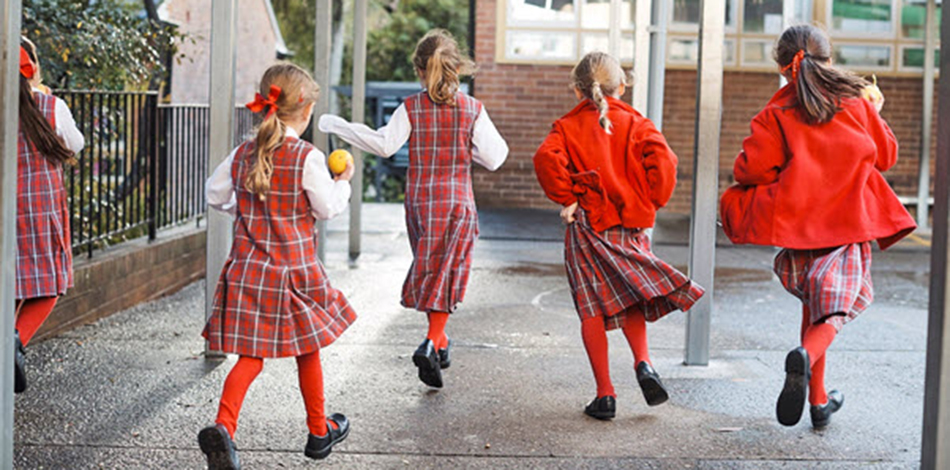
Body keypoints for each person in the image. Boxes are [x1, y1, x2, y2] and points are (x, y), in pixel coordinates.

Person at [720, 24, 916, 429]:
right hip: (847, 226)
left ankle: (818, 401)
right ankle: (805, 358)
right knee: (839, 310)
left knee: (815, 305)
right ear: (830, 59)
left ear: (782, 67)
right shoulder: (855, 103)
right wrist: (875, 112)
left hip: (799, 228)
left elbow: (753, 169)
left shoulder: (776, 112)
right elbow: (886, 157)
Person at [318, 29, 508, 389]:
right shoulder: (472, 109)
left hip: (421, 203)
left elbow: (384, 144)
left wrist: (338, 126)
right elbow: (495, 158)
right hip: (457, 204)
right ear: (456, 68)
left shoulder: (411, 107)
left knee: (430, 270)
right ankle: (431, 341)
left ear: (420, 70)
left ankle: (439, 342)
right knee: (445, 274)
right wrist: (469, 148)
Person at [199, 63, 356, 469]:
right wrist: (345, 182)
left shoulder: (243, 152)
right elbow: (327, 209)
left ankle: (224, 429)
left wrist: (247, 211)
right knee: (308, 351)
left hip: (250, 271)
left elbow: (215, 195)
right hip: (296, 271)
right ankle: (319, 433)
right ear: (303, 113)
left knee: (249, 358)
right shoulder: (308, 157)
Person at [533, 51, 704, 420]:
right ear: (622, 87)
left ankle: (605, 394)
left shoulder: (565, 127)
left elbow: (545, 160)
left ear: (578, 90)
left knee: (592, 308)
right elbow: (665, 163)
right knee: (630, 297)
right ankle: (644, 364)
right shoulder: (638, 124)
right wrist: (650, 201)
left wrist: (569, 197)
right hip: (630, 226)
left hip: (587, 229)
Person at [14, 39, 84, 394]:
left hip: (4, 213)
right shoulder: (50, 106)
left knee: (9, 287)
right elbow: (75, 144)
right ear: (33, 67)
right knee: (48, 285)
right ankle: (13, 342)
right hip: (40, 210)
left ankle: (6, 343)